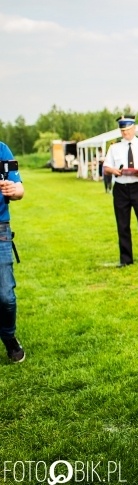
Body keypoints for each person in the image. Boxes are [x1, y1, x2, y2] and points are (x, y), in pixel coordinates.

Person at [103, 115, 138, 267]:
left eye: (128, 130)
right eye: (122, 131)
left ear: (134, 128)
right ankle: (125, 259)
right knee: (122, 224)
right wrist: (113, 170)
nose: (125, 134)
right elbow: (106, 167)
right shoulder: (114, 147)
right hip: (121, 187)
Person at [0, 143, 24, 363]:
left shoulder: (2, 149)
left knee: (6, 297)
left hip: (0, 230)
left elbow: (19, 189)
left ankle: (8, 336)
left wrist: (13, 190)